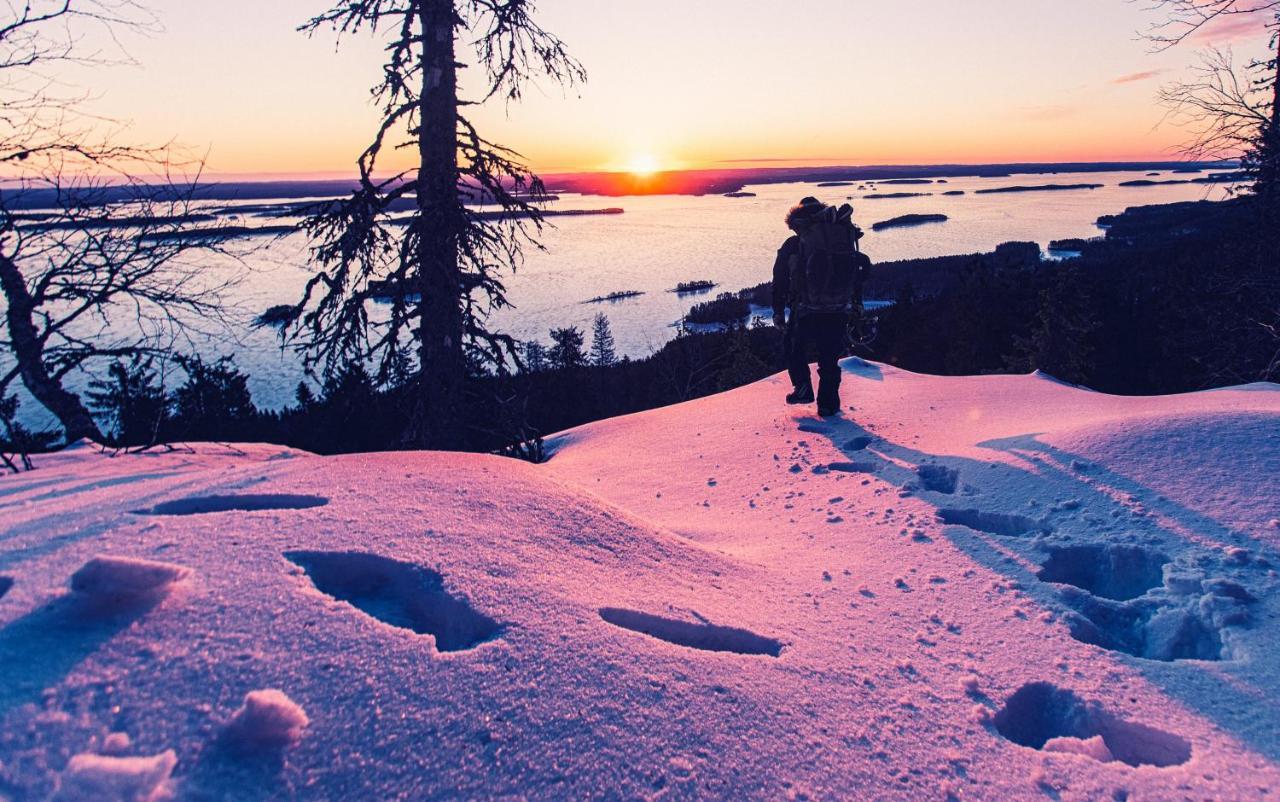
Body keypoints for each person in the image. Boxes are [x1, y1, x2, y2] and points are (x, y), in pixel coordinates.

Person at [771, 197, 869, 417]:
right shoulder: (840, 239)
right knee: (829, 357)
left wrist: (778, 310)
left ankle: (803, 387)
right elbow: (855, 274)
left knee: (794, 348)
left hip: (806, 309)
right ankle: (828, 404)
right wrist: (856, 303)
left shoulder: (794, 244)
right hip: (838, 308)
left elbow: (780, 279)